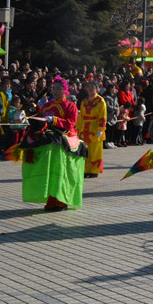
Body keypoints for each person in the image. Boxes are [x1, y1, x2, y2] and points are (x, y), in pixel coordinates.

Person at [21, 75, 88, 211]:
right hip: (50, 137)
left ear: (65, 90)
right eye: (54, 89)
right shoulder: (46, 105)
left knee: (60, 170)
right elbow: (39, 120)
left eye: (59, 89)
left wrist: (55, 120)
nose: (56, 91)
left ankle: (61, 200)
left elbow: (70, 124)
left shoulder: (70, 106)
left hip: (65, 136)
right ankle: (47, 195)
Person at [75, 78, 107, 178]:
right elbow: (81, 115)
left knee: (95, 150)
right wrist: (78, 128)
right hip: (85, 128)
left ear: (97, 88)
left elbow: (103, 115)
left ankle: (94, 170)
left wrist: (100, 129)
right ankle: (86, 169)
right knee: (86, 149)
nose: (90, 89)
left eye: (92, 87)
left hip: (94, 127)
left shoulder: (100, 101)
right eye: (88, 87)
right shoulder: (84, 101)